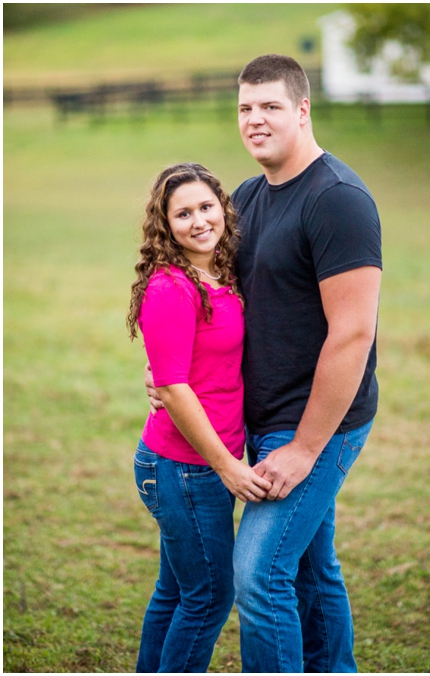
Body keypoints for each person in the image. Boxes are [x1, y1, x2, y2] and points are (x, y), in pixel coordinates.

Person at [147, 55, 382, 673]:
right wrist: (172, 375)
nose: (255, 120)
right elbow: (217, 305)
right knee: (309, 566)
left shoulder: (339, 201)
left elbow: (354, 335)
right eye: (246, 108)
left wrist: (305, 448)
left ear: (303, 110)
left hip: (315, 422)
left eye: (271, 106)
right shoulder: (247, 197)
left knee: (257, 574)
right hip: (256, 413)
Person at [127, 163, 273, 672]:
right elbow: (173, 385)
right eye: (182, 214)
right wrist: (228, 467)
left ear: (223, 208)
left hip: (198, 466)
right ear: (165, 225)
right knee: (209, 598)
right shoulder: (172, 286)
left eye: (206, 207)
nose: (198, 221)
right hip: (186, 468)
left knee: (176, 592)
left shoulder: (219, 271)